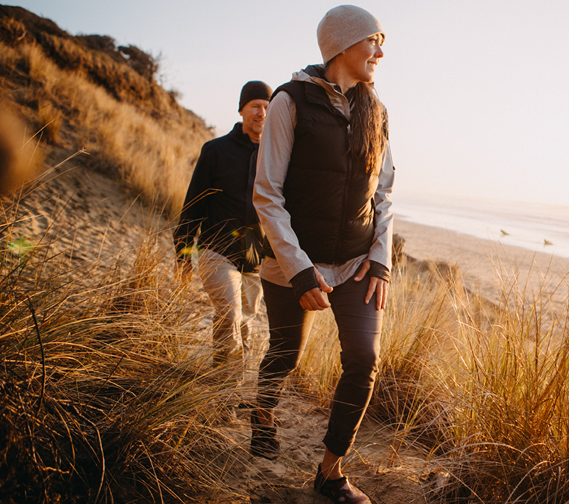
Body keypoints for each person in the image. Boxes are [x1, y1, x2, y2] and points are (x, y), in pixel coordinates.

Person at [250, 5, 394, 504]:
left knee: (363, 358)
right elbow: (267, 194)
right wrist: (299, 269)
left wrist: (381, 259)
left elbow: (385, 194)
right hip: (295, 262)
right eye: (372, 40)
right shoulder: (290, 101)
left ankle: (330, 471)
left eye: (381, 40)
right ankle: (263, 414)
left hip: (357, 263)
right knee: (286, 354)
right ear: (340, 45)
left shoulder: (377, 111)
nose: (381, 50)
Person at [173, 81, 272, 379]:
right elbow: (194, 205)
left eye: (268, 107)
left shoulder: (276, 157)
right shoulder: (216, 150)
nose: (262, 113)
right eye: (255, 105)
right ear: (241, 109)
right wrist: (183, 254)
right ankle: (224, 392)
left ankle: (233, 385)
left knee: (246, 324)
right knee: (229, 315)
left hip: (255, 259)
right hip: (216, 251)